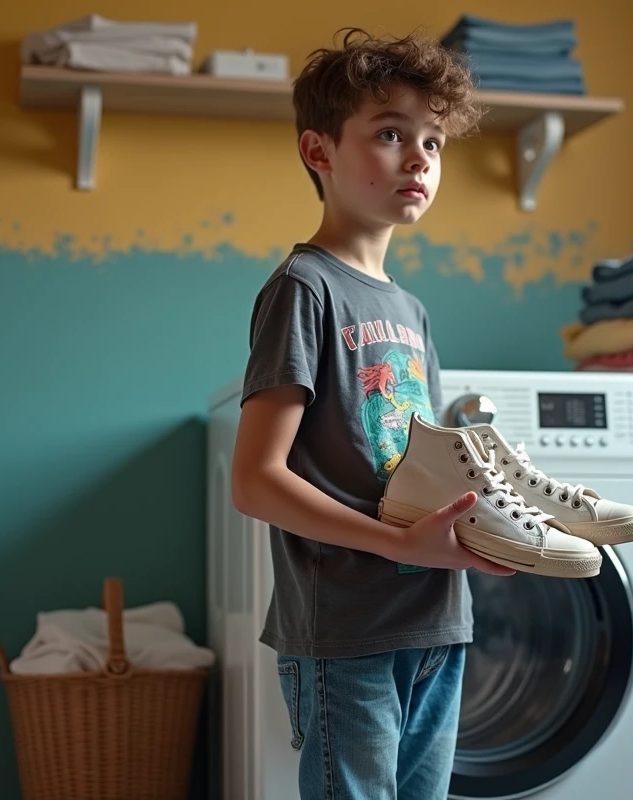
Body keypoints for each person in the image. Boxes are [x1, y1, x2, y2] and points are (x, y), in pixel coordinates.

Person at [231, 26, 514, 799]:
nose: (419, 158)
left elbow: (417, 467)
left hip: (438, 616)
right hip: (349, 627)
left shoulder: (411, 311)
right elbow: (255, 481)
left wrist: (496, 517)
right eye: (390, 134)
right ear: (318, 151)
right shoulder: (305, 289)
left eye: (433, 142)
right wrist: (400, 543)